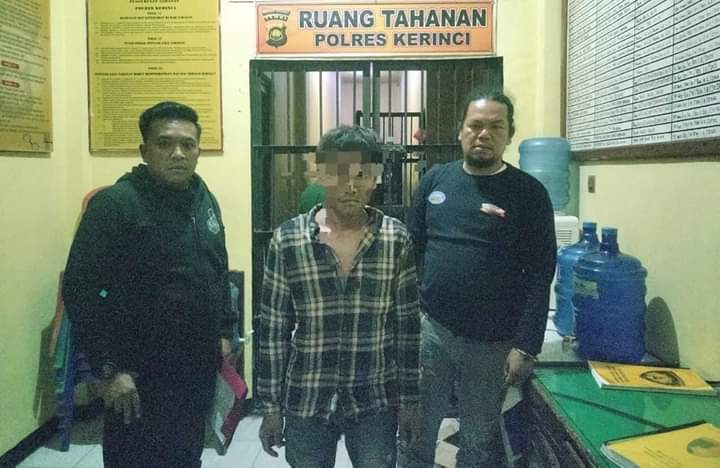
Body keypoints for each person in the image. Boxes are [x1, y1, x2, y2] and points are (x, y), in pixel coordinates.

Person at [62, 101, 235, 468]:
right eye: (164, 143)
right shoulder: (117, 205)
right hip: (137, 378)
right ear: (144, 151)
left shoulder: (203, 198)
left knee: (186, 458)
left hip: (194, 372)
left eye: (188, 144)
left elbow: (218, 269)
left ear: (198, 150)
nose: (178, 153)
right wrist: (109, 369)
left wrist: (223, 330)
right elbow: (82, 289)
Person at [401, 90, 557, 467]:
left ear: (509, 134)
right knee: (415, 433)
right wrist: (410, 319)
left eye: (495, 127)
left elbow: (541, 272)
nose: (483, 134)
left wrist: (526, 345)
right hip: (433, 333)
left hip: (493, 343)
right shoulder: (435, 181)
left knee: (477, 443)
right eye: (475, 125)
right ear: (461, 131)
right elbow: (410, 252)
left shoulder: (529, 193)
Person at [256, 125, 422, 468]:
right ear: (321, 174)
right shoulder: (288, 241)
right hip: (308, 395)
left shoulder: (395, 239)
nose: (351, 185)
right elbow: (273, 331)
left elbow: (407, 329)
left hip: (375, 397)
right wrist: (271, 407)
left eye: (362, 174)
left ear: (375, 178)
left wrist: (409, 402)